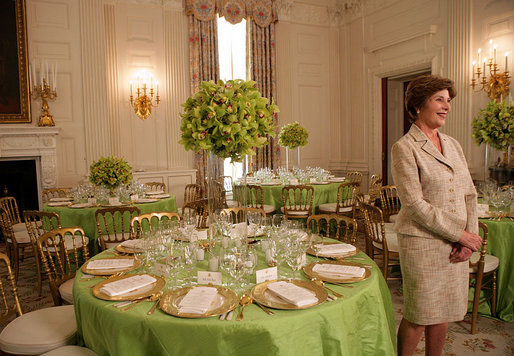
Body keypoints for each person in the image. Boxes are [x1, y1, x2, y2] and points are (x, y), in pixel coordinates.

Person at [391, 75, 482, 356]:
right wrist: (460, 234)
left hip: (456, 245)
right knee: (419, 316)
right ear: (418, 105)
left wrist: (469, 241)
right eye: (439, 99)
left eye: (449, 100)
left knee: (443, 313)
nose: (447, 106)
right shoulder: (404, 148)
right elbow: (415, 205)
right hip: (422, 244)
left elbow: (469, 194)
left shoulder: (453, 145)